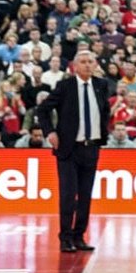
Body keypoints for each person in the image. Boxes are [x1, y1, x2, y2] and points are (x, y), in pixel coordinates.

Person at [37, 47, 111, 252]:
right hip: (69, 149)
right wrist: (50, 132)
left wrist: (103, 130)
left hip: (92, 147)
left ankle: (79, 236)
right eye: (84, 62)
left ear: (96, 65)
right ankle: (65, 237)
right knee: (69, 195)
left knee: (86, 196)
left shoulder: (101, 85)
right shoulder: (65, 86)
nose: (88, 65)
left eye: (91, 62)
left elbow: (104, 111)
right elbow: (42, 110)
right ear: (75, 66)